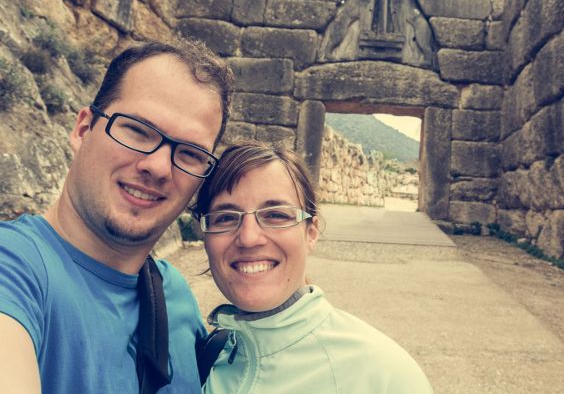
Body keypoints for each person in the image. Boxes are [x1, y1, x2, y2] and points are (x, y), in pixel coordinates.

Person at [0, 39, 234, 393]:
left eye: (189, 153)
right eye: (137, 131)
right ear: (83, 130)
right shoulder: (14, 272)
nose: (158, 167)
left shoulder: (176, 297)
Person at [193, 142, 434, 394]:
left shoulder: (385, 376)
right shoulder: (203, 359)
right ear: (205, 237)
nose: (249, 238)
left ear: (311, 232)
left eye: (276, 215)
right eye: (226, 218)